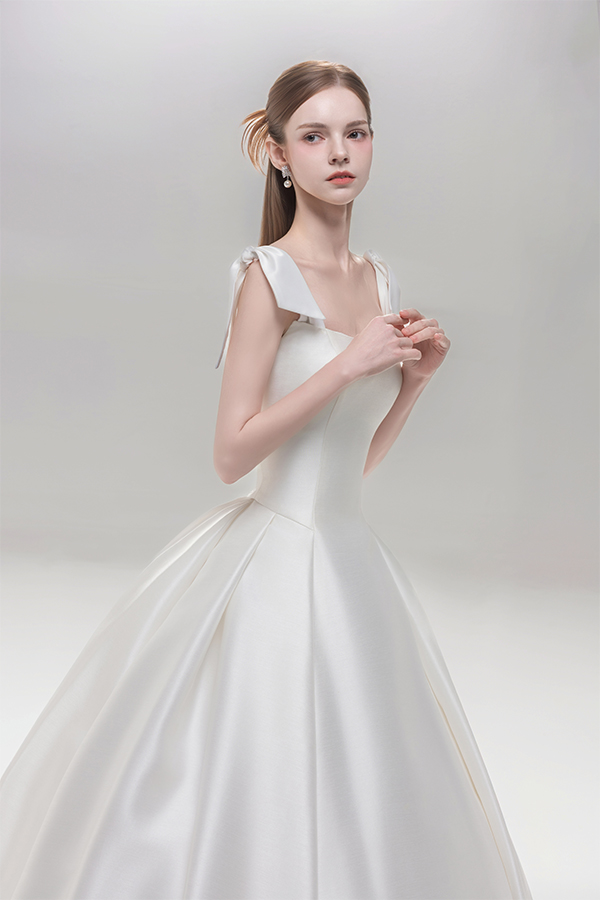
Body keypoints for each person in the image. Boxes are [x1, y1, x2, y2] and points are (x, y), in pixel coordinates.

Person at [0, 60, 532, 900]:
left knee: (371, 775)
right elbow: (232, 453)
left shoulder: (378, 280)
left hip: (354, 565)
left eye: (355, 132)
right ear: (280, 155)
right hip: (274, 561)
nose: (339, 152)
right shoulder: (267, 276)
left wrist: (413, 384)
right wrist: (348, 364)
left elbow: (350, 462)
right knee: (263, 764)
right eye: (315, 136)